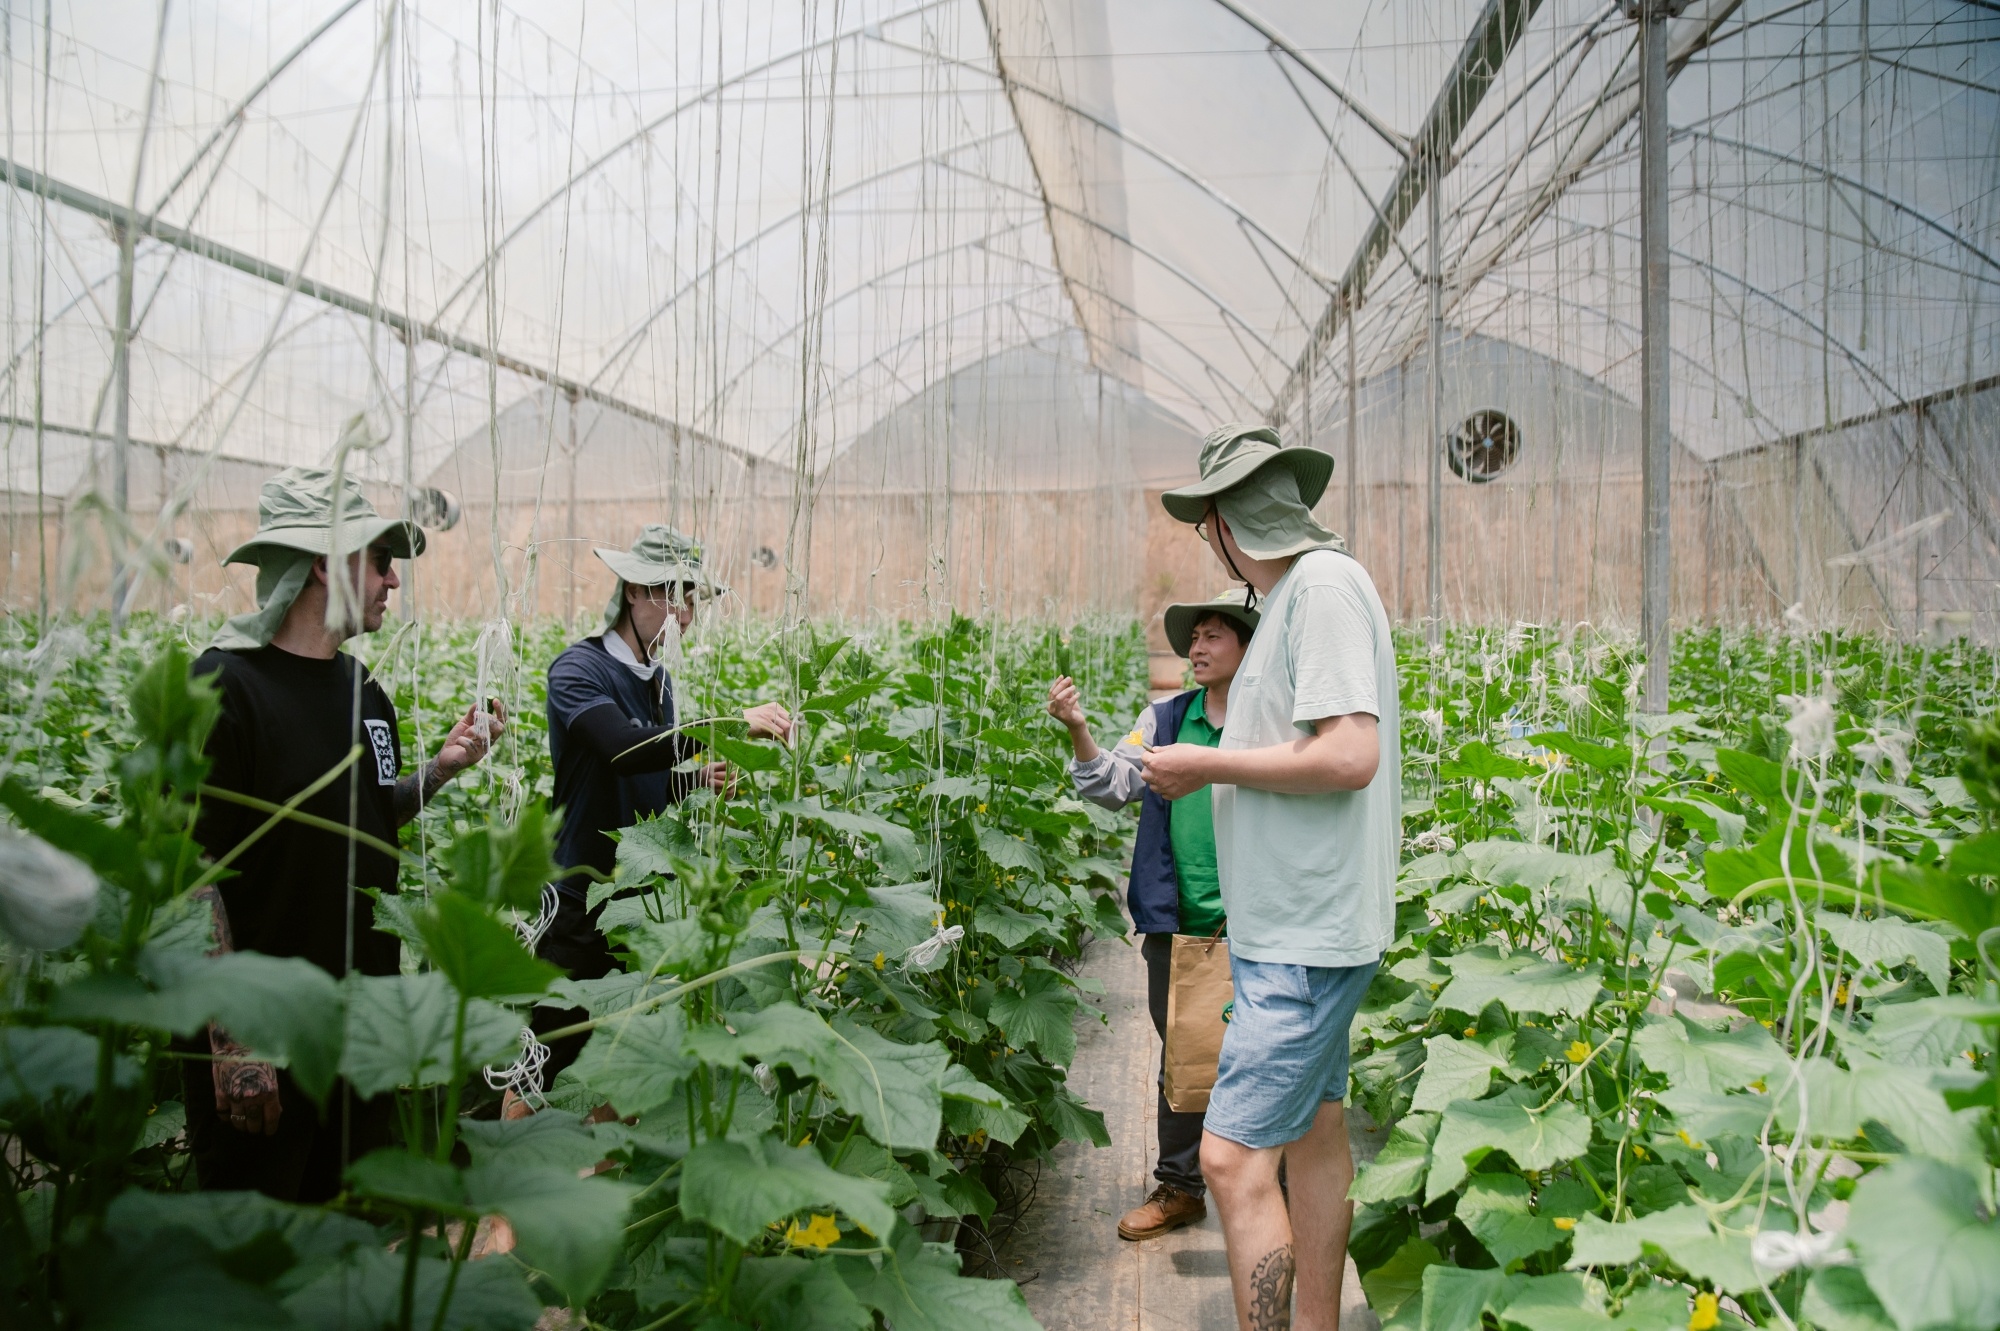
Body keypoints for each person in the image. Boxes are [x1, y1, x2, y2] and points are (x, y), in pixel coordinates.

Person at [1142, 424, 1399, 1331]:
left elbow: (1351, 753)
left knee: (1231, 1157)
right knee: (1316, 1135)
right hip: (1297, 929)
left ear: (1224, 523)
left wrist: (1206, 765)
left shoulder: (1320, 589)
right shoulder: (1297, 596)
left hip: (1303, 939)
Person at [186, 465, 503, 1202]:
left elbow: (368, 815)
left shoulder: (365, 692)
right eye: (380, 560)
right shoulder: (223, 687)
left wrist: (440, 771)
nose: (393, 580)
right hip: (266, 1044)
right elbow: (188, 868)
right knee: (260, 1248)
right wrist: (233, 1041)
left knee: (345, 1233)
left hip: (359, 1035)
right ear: (326, 565)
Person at [525, 525, 791, 1099]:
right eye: (672, 596)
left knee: (625, 1063)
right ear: (631, 593)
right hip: (580, 893)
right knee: (546, 1057)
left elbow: (644, 780)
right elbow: (621, 750)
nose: (685, 615)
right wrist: (727, 724)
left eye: (692, 600)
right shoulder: (577, 670)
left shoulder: (661, 683)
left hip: (640, 898)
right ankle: (515, 1148)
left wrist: (694, 780)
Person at [1047, 589, 1258, 1242]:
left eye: (1213, 635)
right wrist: (1078, 727)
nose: (1197, 647)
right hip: (1180, 921)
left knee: (1267, 1054)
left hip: (1260, 923)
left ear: (1247, 648)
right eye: (1194, 637)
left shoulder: (1267, 722)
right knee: (1183, 1054)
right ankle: (1180, 1186)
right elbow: (1109, 784)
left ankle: (1273, 1188)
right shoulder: (1165, 721)